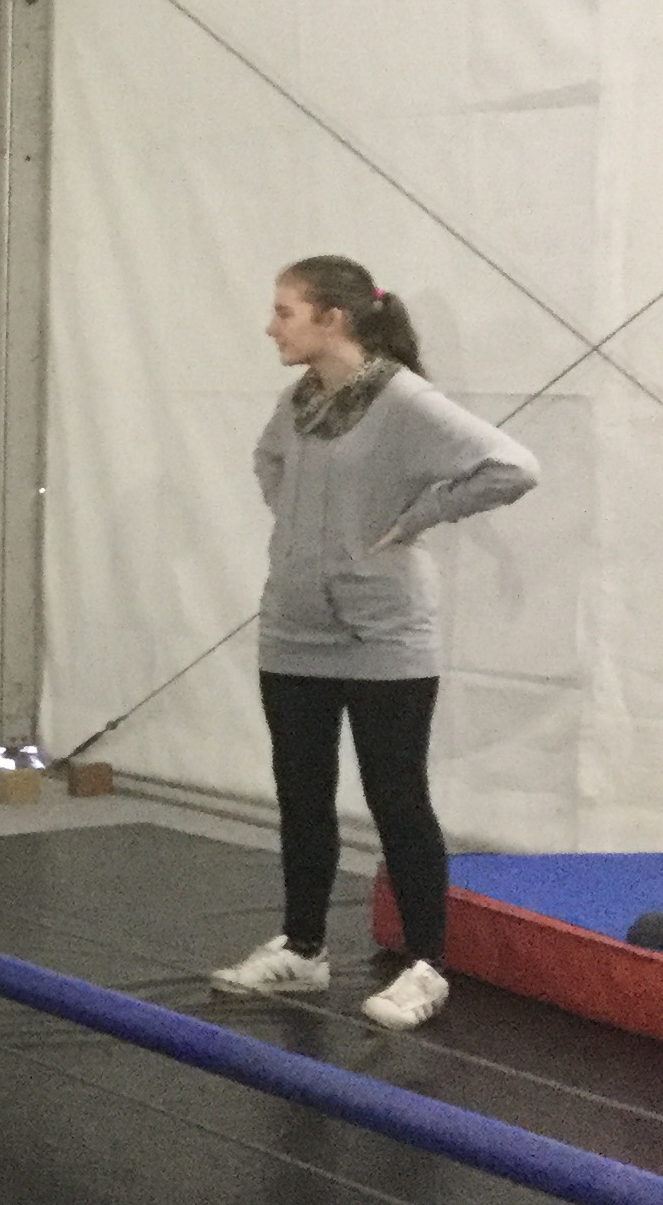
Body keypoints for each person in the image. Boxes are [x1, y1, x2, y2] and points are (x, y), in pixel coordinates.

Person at [208, 255, 537, 1030]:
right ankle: (303, 947)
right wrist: (303, 533)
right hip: (294, 631)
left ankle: (426, 965)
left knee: (396, 797)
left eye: (285, 311)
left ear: (334, 319)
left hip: (385, 636)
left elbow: (513, 468)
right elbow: (268, 461)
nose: (271, 327)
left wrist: (418, 516)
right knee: (301, 794)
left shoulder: (404, 400)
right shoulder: (300, 401)